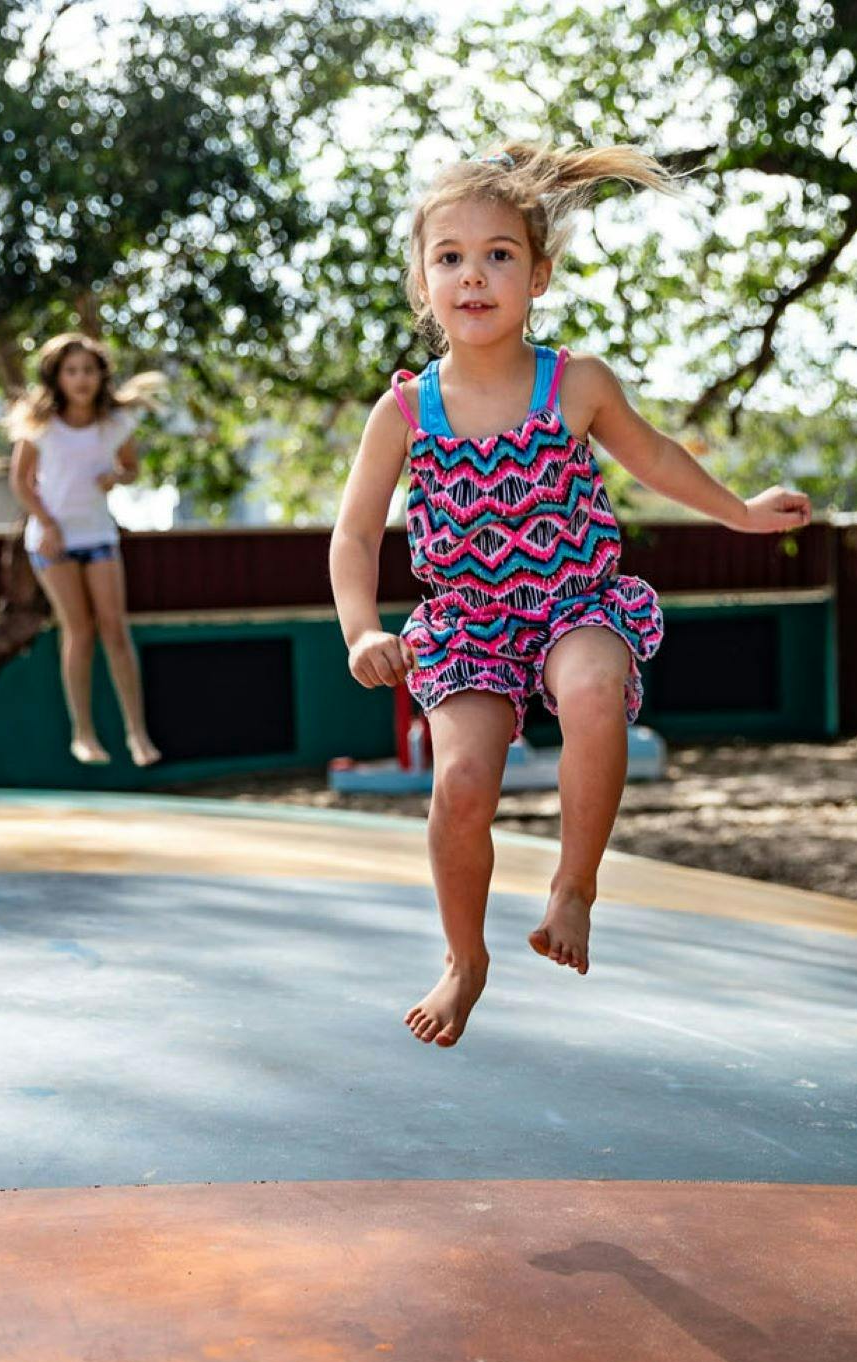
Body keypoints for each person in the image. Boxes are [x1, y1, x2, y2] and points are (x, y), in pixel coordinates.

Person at [329, 144, 813, 1048]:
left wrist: (740, 514)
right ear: (422, 281)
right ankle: (465, 956)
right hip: (468, 625)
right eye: (450, 258)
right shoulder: (403, 412)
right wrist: (362, 629)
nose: (474, 275)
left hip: (574, 601)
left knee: (592, 690)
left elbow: (659, 458)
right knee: (463, 781)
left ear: (539, 274)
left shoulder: (575, 384)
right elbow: (355, 534)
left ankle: (574, 885)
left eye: (499, 255)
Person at [7, 333, 165, 767]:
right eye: (71, 371)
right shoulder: (39, 424)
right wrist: (47, 523)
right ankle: (84, 734)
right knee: (78, 630)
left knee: (114, 629)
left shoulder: (116, 423)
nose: (81, 379)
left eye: (88, 370)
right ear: (57, 376)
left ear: (101, 376)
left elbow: (131, 468)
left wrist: (116, 477)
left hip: (98, 537)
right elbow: (21, 482)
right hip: (52, 541)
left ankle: (137, 734)